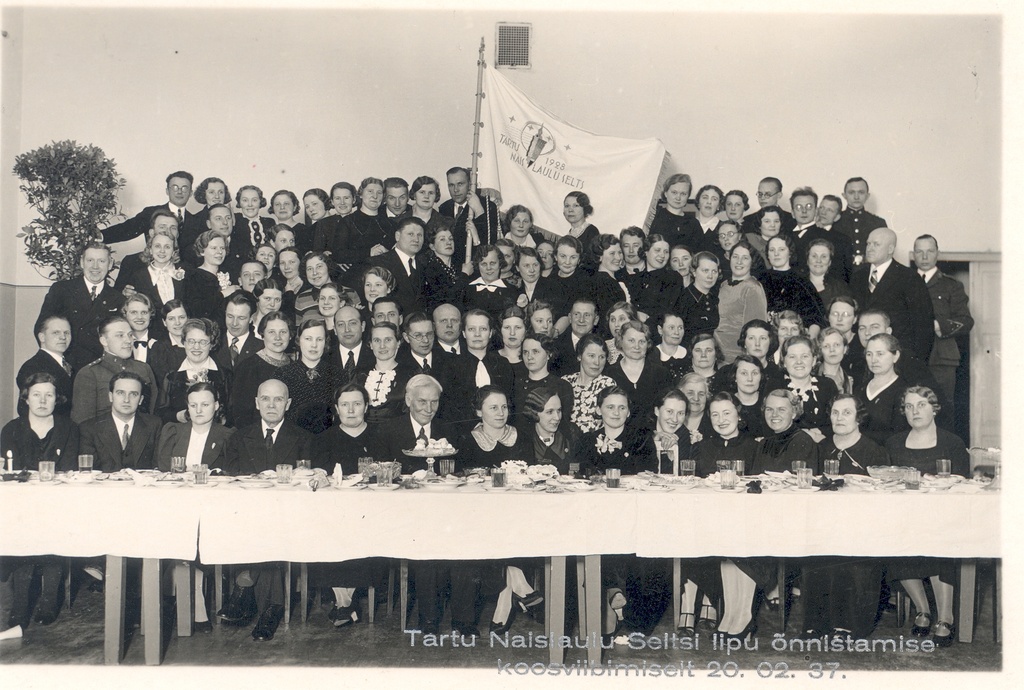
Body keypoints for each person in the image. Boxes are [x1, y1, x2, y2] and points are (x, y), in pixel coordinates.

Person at [219, 378, 315, 641]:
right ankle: (271, 607)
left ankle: (245, 585)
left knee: (273, 533)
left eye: (278, 399)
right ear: (256, 402)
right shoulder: (239, 436)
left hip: (288, 514)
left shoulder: (302, 437)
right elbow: (231, 475)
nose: (271, 405)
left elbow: (306, 479)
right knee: (262, 532)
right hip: (247, 513)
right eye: (265, 399)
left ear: (288, 403)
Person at [884, 386, 967, 648]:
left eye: (921, 405)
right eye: (909, 406)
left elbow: (963, 482)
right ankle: (923, 610)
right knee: (895, 541)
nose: (915, 411)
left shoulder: (952, 442)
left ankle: (945, 617)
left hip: (943, 517)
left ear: (934, 408)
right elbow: (887, 480)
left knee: (939, 543)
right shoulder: (894, 443)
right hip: (905, 516)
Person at [0, 373, 80, 632]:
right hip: (23, 505)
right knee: (23, 543)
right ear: (26, 398)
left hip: (58, 502)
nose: (43, 400)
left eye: (49, 395)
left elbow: (69, 468)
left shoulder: (69, 428)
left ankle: (49, 601)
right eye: (37, 394)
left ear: (58, 399)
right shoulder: (12, 429)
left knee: (53, 540)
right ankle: (20, 605)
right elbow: (9, 470)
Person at [913, 234, 974, 428]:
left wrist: (938, 325)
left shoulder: (952, 285)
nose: (924, 256)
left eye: (929, 251)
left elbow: (966, 321)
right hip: (911, 356)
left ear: (937, 254)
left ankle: (944, 456)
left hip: (942, 357)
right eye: (919, 251)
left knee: (942, 408)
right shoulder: (904, 282)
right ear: (913, 254)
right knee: (911, 406)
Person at [37, 241, 125, 372]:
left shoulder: (118, 298)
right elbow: (41, 328)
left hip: (101, 371)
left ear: (110, 264)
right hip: (67, 367)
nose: (95, 267)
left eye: (101, 261)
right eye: (90, 260)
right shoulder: (61, 290)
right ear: (82, 263)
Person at [850, 227, 935, 361]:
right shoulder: (857, 277)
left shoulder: (909, 277)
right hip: (862, 358)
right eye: (868, 243)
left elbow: (923, 325)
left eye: (876, 244)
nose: (870, 248)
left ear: (890, 249)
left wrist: (916, 362)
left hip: (898, 357)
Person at [71, 316, 157, 424]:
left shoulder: (144, 369)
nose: (128, 341)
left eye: (130, 335)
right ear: (104, 341)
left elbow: (154, 412)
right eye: (120, 335)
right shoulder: (90, 373)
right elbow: (83, 422)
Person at [78, 371, 162, 472]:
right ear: (110, 396)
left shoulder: (154, 425)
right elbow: (89, 472)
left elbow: (158, 468)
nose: (126, 400)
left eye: (133, 394)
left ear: (140, 400)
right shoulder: (89, 428)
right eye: (120, 393)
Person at [444, 309, 514, 427]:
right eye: (471, 329)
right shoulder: (451, 366)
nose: (477, 334)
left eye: (483, 329)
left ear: (491, 333)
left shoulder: (502, 364)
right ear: (464, 333)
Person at [156, 318, 230, 425]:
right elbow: (160, 414)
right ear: (184, 343)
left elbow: (232, 413)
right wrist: (179, 416)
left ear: (212, 344)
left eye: (203, 342)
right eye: (191, 341)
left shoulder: (225, 376)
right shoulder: (171, 377)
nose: (196, 347)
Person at [229, 312, 293, 429]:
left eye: (283, 332)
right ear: (262, 335)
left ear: (290, 335)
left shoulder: (295, 367)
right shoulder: (248, 367)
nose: (278, 337)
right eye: (271, 332)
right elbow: (241, 415)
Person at [101, 171, 195, 245]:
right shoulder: (151, 213)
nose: (179, 192)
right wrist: (100, 236)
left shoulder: (196, 220)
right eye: (174, 187)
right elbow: (127, 229)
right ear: (167, 191)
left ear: (191, 193)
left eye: (184, 188)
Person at [277, 319, 338, 434]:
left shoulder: (339, 375)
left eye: (319, 339)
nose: (314, 345)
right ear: (299, 340)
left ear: (326, 342)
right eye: (308, 339)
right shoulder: (282, 375)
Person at [760, 234, 827, 337]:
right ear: (767, 254)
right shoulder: (760, 280)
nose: (776, 254)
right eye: (772, 250)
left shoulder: (801, 282)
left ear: (790, 253)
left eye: (781, 249)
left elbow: (817, 319)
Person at [606, 319, 670, 423]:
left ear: (648, 344)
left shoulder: (661, 373)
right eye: (631, 341)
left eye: (642, 342)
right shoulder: (610, 373)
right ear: (621, 341)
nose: (636, 346)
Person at [333, 177, 396, 285]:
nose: (375, 196)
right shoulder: (347, 222)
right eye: (370, 191)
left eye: (379, 192)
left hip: (386, 279)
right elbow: (338, 254)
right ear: (361, 194)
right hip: (357, 279)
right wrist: (369, 252)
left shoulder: (391, 224)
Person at [714, 241, 767, 364]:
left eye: (745, 258)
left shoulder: (752, 288)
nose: (739, 262)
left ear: (751, 262)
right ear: (729, 258)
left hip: (736, 355)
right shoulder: (724, 285)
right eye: (736, 257)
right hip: (718, 352)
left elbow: (755, 329)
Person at [438, 166, 501, 267]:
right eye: (451, 185)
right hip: (452, 267)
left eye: (460, 184)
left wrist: (479, 212)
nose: (456, 190)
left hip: (476, 267)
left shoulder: (487, 206)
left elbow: (490, 242)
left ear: (470, 184)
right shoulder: (444, 208)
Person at [854, 333, 910, 445]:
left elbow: (899, 434)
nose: (873, 360)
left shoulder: (904, 391)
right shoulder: (860, 389)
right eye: (869, 354)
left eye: (880, 354)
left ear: (896, 356)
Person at [16, 315, 74, 418]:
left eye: (66, 333)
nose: (63, 337)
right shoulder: (33, 366)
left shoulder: (70, 365)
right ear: (42, 337)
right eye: (56, 332)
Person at [750, 389, 819, 474]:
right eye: (769, 409)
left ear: (794, 413)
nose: (774, 414)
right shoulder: (764, 444)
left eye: (781, 409)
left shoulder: (803, 441)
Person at [779, 335, 839, 435]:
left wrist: (819, 432)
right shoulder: (776, 386)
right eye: (792, 357)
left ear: (814, 360)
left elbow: (836, 421)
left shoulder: (827, 385)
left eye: (805, 356)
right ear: (784, 361)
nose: (799, 362)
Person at [368, 216, 426, 315]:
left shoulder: (425, 266)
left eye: (420, 235)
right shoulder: (378, 262)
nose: (416, 239)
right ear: (397, 236)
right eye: (410, 234)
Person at [693, 391, 757, 476]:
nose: (721, 420)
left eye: (726, 413)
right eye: (715, 415)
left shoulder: (755, 448)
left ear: (739, 415)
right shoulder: (699, 448)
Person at [514, 333, 573, 424]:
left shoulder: (562, 386)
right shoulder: (516, 385)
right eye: (525, 352)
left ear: (549, 355)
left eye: (535, 352)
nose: (529, 357)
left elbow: (563, 423)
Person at [562, 334, 616, 434]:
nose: (597, 362)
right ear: (579, 356)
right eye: (591, 356)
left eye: (602, 357)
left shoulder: (608, 384)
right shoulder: (565, 382)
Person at [518, 385, 578, 474]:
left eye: (559, 410)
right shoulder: (522, 438)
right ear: (534, 413)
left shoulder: (571, 434)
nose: (557, 417)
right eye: (550, 412)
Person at [361, 322, 413, 425]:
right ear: (371, 345)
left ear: (398, 343)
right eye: (377, 340)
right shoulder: (358, 374)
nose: (382, 346)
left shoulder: (410, 374)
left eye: (388, 340)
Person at [832, 177, 887, 263]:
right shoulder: (834, 221)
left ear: (867, 196)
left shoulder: (878, 223)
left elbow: (883, 254)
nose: (856, 197)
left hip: (868, 272)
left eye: (861, 192)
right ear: (844, 195)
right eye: (851, 192)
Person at [182, 230, 232, 321]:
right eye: (214, 248)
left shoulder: (226, 274)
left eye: (222, 248)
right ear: (202, 251)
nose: (219, 252)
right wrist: (223, 294)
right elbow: (196, 310)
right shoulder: (194, 277)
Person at [462, 244, 517, 322]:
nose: (488, 268)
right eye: (484, 264)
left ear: (500, 264)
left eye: (492, 263)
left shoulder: (511, 290)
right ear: (478, 265)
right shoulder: (467, 289)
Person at [422, 224, 470, 312]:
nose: (448, 242)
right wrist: (465, 275)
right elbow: (447, 297)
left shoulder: (458, 266)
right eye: (442, 239)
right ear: (432, 246)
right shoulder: (430, 269)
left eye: (451, 239)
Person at [648, 173, 701, 250]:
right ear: (666, 193)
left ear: (688, 196)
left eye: (683, 194)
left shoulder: (693, 223)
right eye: (674, 192)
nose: (678, 198)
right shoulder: (654, 216)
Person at [674, 251, 721, 338]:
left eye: (714, 271)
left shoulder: (715, 298)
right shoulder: (682, 299)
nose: (710, 276)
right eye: (705, 271)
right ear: (694, 272)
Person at [214, 292, 261, 372]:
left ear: (251, 318)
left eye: (241, 318)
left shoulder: (261, 349)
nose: (234, 323)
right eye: (230, 316)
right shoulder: (213, 344)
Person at [551, 297, 598, 376]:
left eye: (587, 315)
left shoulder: (602, 346)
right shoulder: (555, 346)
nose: (581, 320)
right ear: (570, 318)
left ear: (596, 320)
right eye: (576, 314)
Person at [587, 234, 631, 319]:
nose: (618, 258)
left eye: (620, 252)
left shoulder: (609, 279)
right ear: (599, 257)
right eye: (612, 253)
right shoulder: (603, 282)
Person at [727, 355, 770, 439]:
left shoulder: (769, 403)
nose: (750, 379)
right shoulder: (727, 403)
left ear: (761, 377)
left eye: (754, 373)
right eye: (744, 373)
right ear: (734, 376)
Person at [148, 299, 189, 384]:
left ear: (188, 319)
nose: (177, 323)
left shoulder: (197, 342)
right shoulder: (159, 348)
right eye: (171, 319)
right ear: (164, 322)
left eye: (181, 317)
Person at [804, 238, 851, 310]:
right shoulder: (796, 285)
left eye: (824, 256)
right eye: (814, 256)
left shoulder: (840, 288)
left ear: (829, 262)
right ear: (807, 260)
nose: (818, 260)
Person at [408, 175, 456, 240]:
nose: (426, 196)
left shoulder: (447, 223)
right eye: (422, 192)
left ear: (436, 196)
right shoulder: (399, 221)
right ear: (414, 195)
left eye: (431, 193)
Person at [648, 312, 689, 381]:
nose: (676, 332)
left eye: (680, 328)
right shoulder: (650, 356)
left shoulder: (690, 354)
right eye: (671, 327)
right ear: (660, 330)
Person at [563, 192, 600, 267]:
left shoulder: (591, 231)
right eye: (567, 206)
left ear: (585, 209)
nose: (570, 210)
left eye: (576, 206)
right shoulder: (568, 235)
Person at [678, 372, 714, 446]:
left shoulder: (714, 423)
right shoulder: (671, 421)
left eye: (701, 394)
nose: (696, 398)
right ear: (680, 394)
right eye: (690, 393)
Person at [816, 327, 854, 395]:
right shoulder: (813, 376)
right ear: (820, 350)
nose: (832, 350)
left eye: (837, 345)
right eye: (826, 346)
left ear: (845, 349)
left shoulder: (849, 380)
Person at [692, 184, 725, 251]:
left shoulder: (724, 228)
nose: (709, 202)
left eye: (714, 199)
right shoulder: (688, 225)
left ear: (719, 206)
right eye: (705, 197)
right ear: (698, 202)